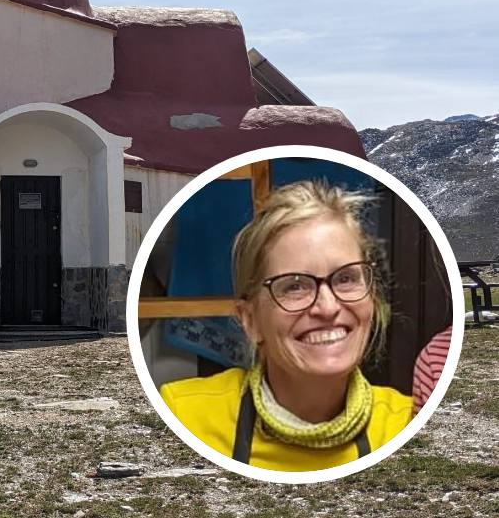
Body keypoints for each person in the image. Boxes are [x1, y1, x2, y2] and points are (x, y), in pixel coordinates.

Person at [159, 181, 413, 471]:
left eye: (345, 278)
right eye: (294, 286)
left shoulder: (407, 421)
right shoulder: (183, 416)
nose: (328, 307)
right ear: (250, 320)